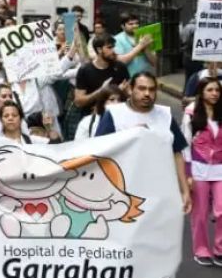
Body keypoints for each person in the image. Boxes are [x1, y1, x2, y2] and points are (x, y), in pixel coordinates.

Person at [95, 72, 192, 215]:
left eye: (152, 89)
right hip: (125, 193)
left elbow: (177, 153)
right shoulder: (114, 114)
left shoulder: (165, 115)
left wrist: (185, 191)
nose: (147, 93)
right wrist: (130, 136)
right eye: (141, 88)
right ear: (130, 89)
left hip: (161, 191)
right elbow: (99, 150)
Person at [184, 78, 222, 266]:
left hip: (220, 169)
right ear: (201, 92)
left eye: (217, 90)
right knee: (200, 213)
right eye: (210, 89)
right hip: (198, 170)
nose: (214, 93)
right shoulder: (191, 112)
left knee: (221, 210)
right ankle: (201, 250)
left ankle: (220, 249)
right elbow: (185, 145)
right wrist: (187, 174)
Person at [65, 35, 130, 140]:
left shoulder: (120, 67)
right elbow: (79, 101)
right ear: (99, 50)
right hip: (92, 121)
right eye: (109, 47)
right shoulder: (85, 70)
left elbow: (128, 94)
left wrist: (121, 92)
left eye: (114, 47)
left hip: (119, 121)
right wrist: (101, 91)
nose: (114, 51)